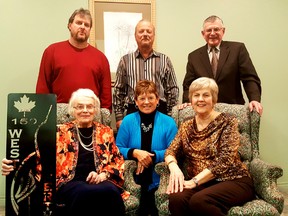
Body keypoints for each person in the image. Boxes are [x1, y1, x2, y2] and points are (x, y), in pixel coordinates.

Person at [2, 88, 126, 216]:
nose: (85, 110)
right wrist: (13, 164)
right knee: (83, 192)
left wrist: (103, 175)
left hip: (100, 180)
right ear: (73, 110)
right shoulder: (59, 132)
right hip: (68, 181)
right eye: (80, 107)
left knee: (111, 191)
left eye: (89, 106)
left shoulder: (105, 131)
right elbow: (38, 156)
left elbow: (116, 159)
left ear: (95, 110)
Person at [165, 77, 255, 216]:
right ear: (191, 100)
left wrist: (194, 181)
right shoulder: (186, 125)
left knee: (200, 201)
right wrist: (174, 168)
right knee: (176, 198)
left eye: (206, 95)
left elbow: (225, 160)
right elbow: (171, 150)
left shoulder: (228, 121)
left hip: (233, 180)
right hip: (204, 183)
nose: (200, 99)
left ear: (214, 99)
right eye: (196, 95)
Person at [116, 80, 178, 216]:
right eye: (142, 98)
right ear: (136, 102)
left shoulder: (169, 122)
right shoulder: (127, 121)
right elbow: (117, 148)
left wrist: (152, 156)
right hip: (132, 178)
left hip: (160, 179)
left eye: (150, 98)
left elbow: (175, 150)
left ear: (157, 100)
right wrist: (135, 153)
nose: (146, 102)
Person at [182, 15, 263, 115]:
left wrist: (254, 99)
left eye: (216, 29)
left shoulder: (237, 49)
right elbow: (188, 85)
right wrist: (187, 103)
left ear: (223, 31)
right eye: (209, 30)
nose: (212, 33)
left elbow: (250, 78)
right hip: (204, 112)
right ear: (203, 34)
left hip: (233, 110)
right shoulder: (193, 56)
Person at [36, 8, 112, 112]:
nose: (82, 27)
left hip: (89, 115)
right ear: (70, 25)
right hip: (58, 115)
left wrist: (104, 120)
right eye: (79, 23)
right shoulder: (52, 51)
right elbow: (42, 88)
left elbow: (106, 96)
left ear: (90, 29)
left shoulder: (101, 58)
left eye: (86, 25)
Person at [113, 19, 179, 129]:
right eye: (141, 31)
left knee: (158, 144)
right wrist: (119, 118)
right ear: (135, 35)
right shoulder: (125, 60)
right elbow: (118, 91)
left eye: (148, 31)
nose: (145, 34)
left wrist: (169, 116)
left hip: (160, 111)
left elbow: (173, 89)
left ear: (153, 35)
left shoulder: (164, 60)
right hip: (133, 111)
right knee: (134, 145)